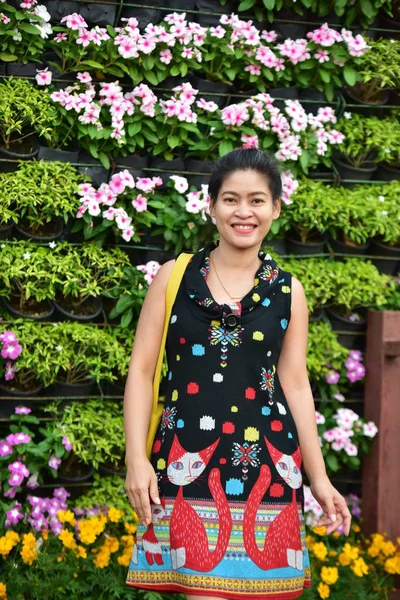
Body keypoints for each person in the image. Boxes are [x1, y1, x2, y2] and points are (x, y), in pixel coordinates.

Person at [124, 148, 352, 599]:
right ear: (211, 207)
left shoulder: (289, 291)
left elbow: (295, 385)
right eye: (230, 199)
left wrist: (320, 478)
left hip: (269, 466)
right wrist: (136, 458)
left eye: (257, 200)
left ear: (275, 209)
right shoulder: (174, 277)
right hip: (187, 465)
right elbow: (142, 372)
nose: (243, 211)